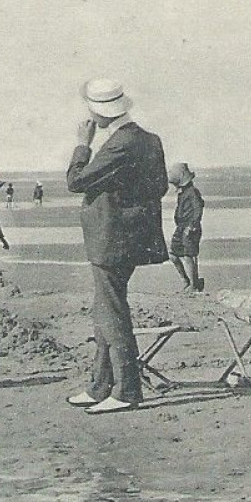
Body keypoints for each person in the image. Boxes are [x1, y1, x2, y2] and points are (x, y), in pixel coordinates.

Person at [65, 79, 169, 414]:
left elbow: (76, 181)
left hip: (111, 238)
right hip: (130, 237)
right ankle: (99, 386)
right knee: (105, 308)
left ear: (99, 113)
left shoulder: (119, 144)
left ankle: (126, 390)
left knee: (112, 312)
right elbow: (161, 186)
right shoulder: (149, 140)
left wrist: (83, 145)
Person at [167, 162, 205, 293]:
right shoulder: (183, 192)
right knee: (173, 255)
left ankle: (194, 285)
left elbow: (198, 209)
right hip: (181, 227)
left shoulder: (192, 192)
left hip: (189, 228)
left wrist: (192, 225)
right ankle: (186, 281)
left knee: (189, 256)